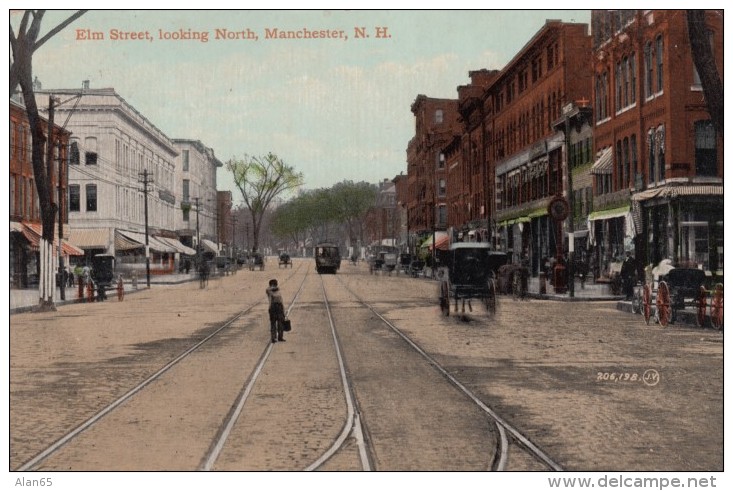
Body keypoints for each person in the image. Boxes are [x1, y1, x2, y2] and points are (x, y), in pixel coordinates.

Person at [266, 279, 286, 343]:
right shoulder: (269, 291)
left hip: (279, 307)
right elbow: (268, 289)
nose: (273, 286)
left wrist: (283, 309)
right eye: (272, 285)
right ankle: (273, 338)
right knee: (273, 323)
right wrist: (273, 288)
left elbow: (281, 300)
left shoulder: (278, 290)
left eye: (274, 285)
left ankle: (280, 337)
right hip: (273, 307)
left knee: (280, 323)